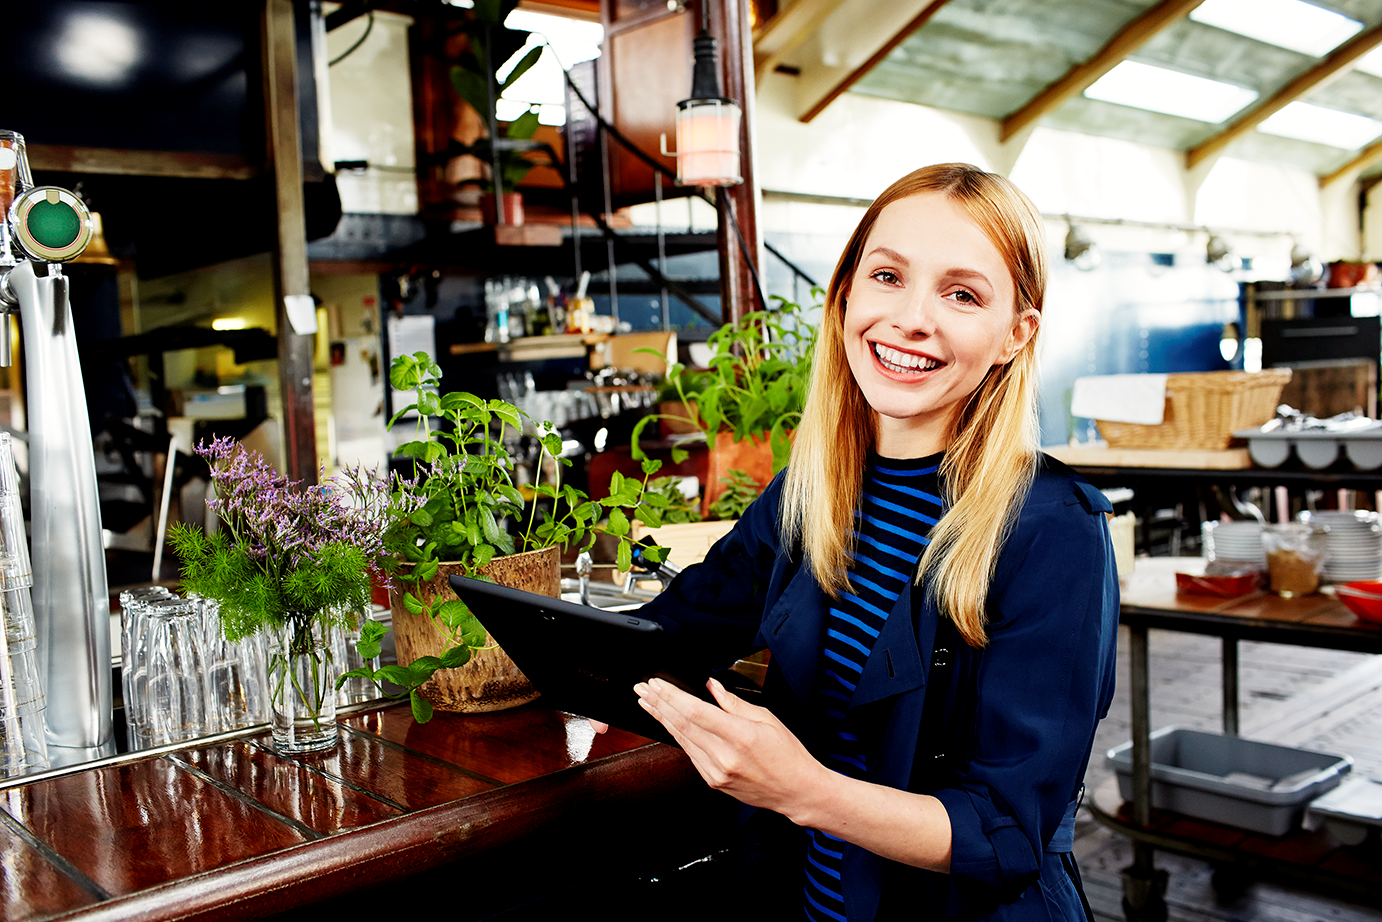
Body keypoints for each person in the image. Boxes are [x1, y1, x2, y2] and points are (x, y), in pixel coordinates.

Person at [630, 163, 1120, 921]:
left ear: (1014, 335)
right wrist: (572, 663)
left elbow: (1003, 831)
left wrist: (802, 790)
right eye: (888, 276)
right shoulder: (814, 488)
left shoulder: (1054, 531)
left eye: (961, 294)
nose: (912, 318)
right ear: (846, 293)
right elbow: (682, 623)